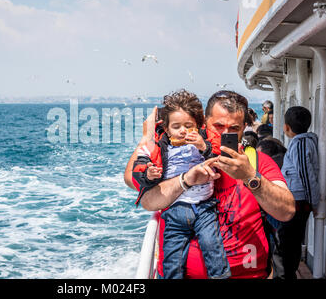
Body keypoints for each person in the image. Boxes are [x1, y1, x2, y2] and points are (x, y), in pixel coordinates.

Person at [124, 90, 295, 279]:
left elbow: (286, 211)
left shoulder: (257, 161)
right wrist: (149, 138)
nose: (225, 134)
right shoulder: (177, 158)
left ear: (245, 127)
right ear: (204, 123)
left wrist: (249, 176)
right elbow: (136, 185)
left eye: (234, 128)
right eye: (219, 126)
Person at [132, 90, 230, 279]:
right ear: (167, 129)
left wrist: (204, 146)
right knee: (172, 257)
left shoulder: (205, 141)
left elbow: (220, 157)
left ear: (199, 126)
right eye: (176, 126)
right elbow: (139, 169)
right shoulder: (158, 147)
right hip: (175, 210)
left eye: (188, 125)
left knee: (213, 246)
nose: (183, 131)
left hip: (204, 208)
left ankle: (221, 276)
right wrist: (149, 174)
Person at [272, 106, 320, 279]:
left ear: (286, 127)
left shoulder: (300, 143)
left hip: (298, 201)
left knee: (284, 243)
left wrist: (314, 203)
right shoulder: (303, 141)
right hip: (299, 201)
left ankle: (284, 276)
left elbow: (306, 175)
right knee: (289, 242)